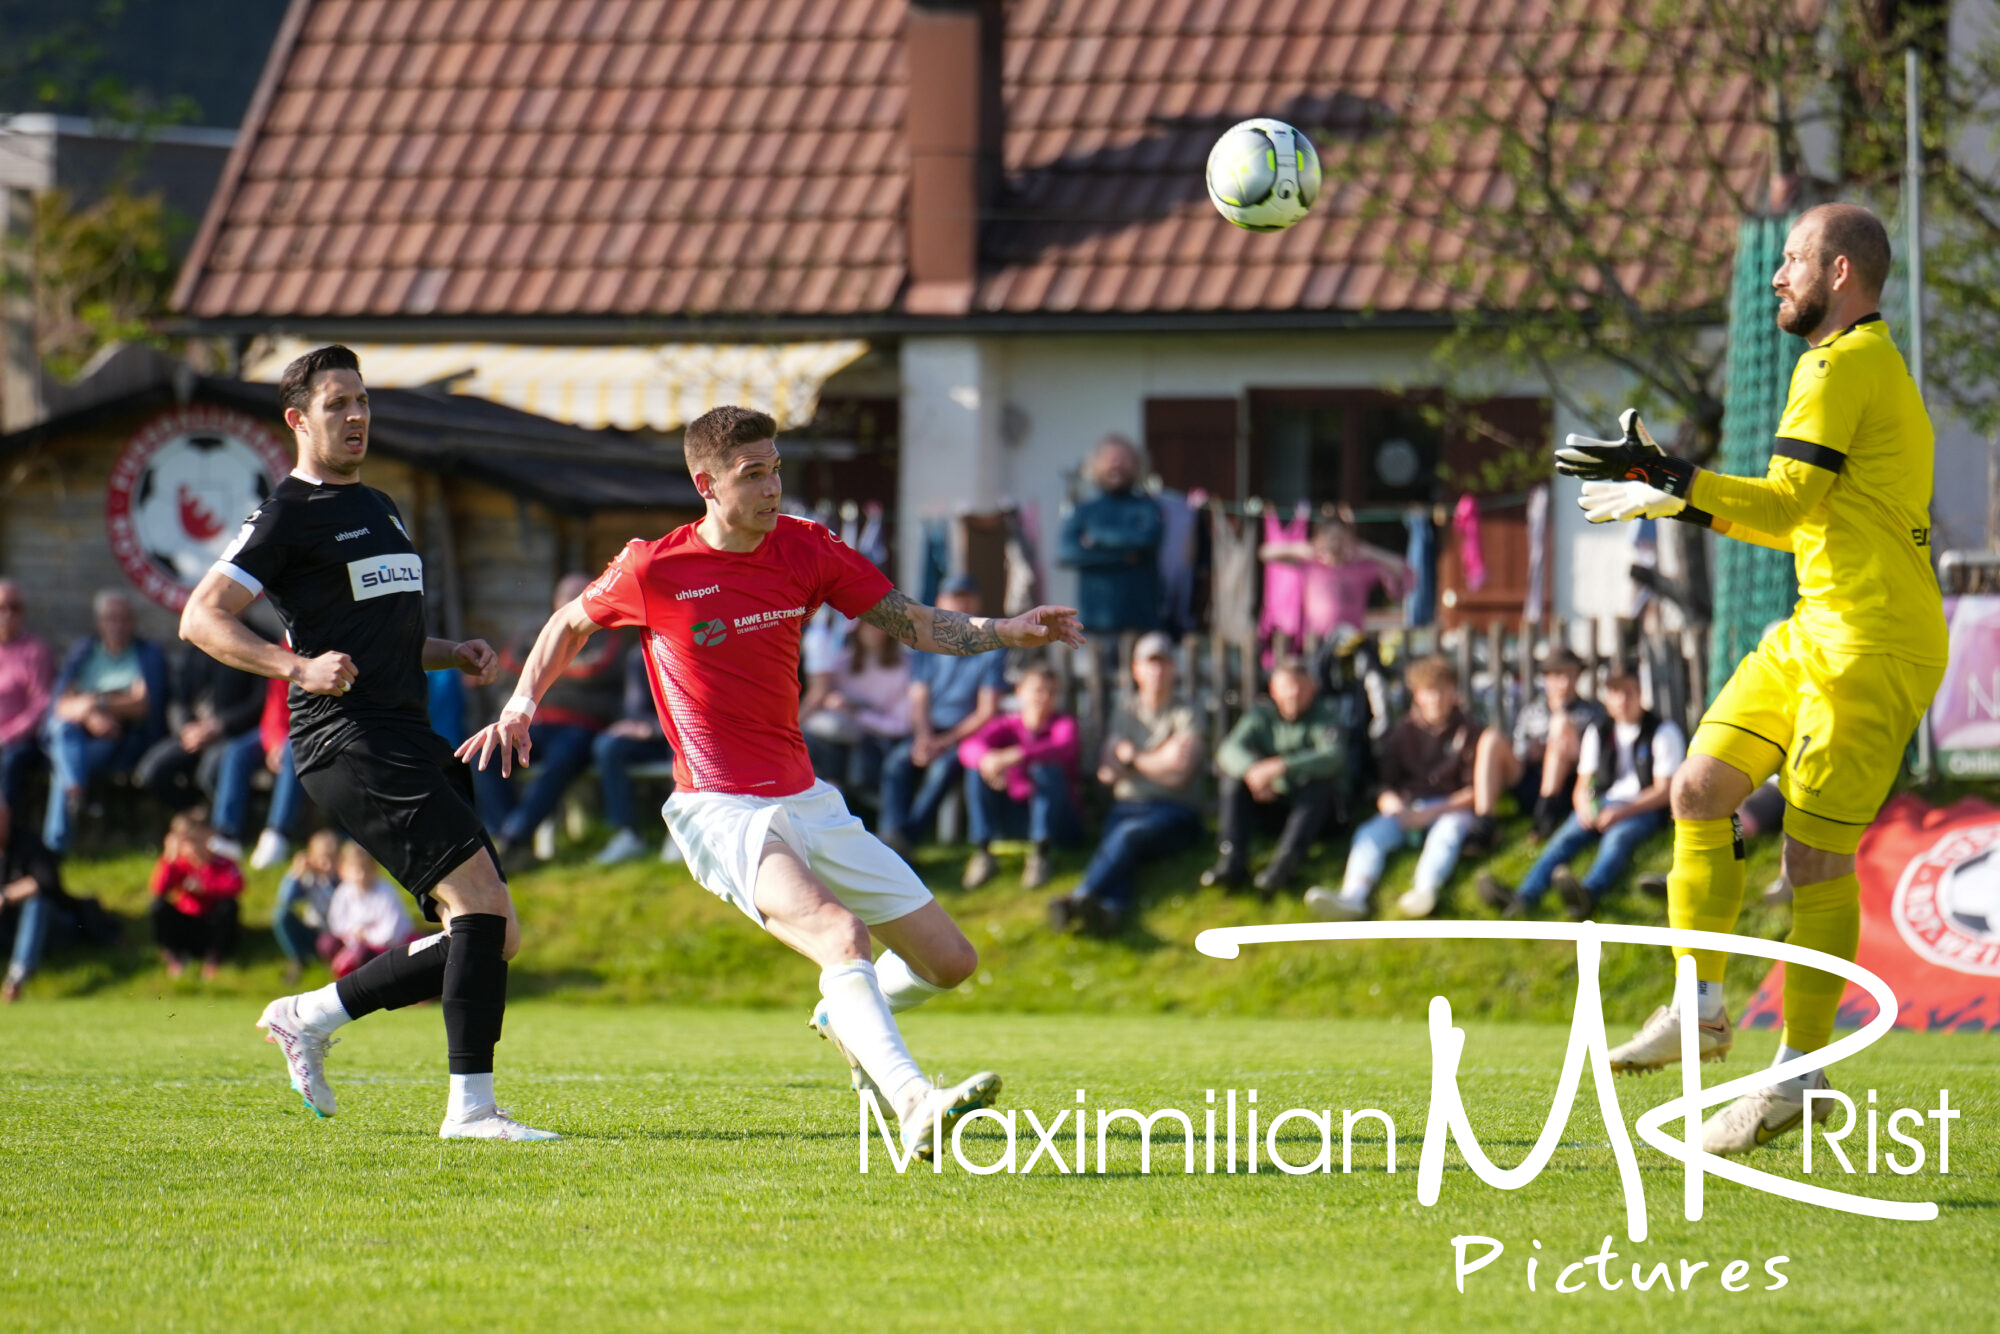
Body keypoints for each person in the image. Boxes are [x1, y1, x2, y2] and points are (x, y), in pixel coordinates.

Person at [457, 404, 1085, 1159]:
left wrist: (1007, 631)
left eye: (776, 469)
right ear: (707, 485)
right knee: (838, 934)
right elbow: (569, 624)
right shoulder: (657, 567)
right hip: (718, 807)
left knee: (951, 964)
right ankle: (915, 1101)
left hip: (806, 798)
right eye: (752, 475)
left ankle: (845, 1017)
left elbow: (911, 621)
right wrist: (522, 704)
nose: (771, 488)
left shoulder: (807, 549)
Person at [1556, 204, 1946, 1154]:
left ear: (1842, 271)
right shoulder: (1840, 365)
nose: (1777, 275)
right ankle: (1700, 1005)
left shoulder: (1843, 364)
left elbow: (1783, 500)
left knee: (1810, 862)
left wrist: (1672, 476)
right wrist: (1675, 491)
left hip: (1873, 645)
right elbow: (1793, 520)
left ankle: (1798, 1077)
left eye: (1794, 258)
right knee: (1697, 788)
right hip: (1817, 628)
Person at [178, 344, 544, 1140]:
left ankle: (310, 1015)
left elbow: (379, 635)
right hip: (348, 740)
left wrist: (453, 652)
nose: (355, 416)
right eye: (338, 402)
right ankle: (471, 1111)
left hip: (409, 732)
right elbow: (201, 617)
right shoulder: (286, 514)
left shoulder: (380, 505)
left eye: (363, 401)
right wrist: (295, 666)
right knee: (479, 907)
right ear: (297, 419)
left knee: (493, 934)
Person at [1477, 672, 1682, 919]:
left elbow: (1664, 791)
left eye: (1629, 693)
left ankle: (1588, 893)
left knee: (1617, 840)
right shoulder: (1598, 731)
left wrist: (1622, 812)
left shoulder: (1663, 731)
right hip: (1603, 802)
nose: (1622, 701)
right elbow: (1584, 782)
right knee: (1562, 840)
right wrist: (1584, 806)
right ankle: (1524, 896)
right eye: (1616, 694)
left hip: (1642, 808)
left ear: (1641, 696)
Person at [1046, 633, 1206, 937]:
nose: (1157, 671)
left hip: (1177, 812)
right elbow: (1107, 772)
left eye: (1164, 663)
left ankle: (1080, 897)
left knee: (1127, 836)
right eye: (1150, 663)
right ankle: (1108, 913)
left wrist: (1131, 760)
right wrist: (1159, 760)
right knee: (1123, 842)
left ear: (1173, 669)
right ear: (1136, 669)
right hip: (1128, 807)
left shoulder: (1187, 711)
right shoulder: (1126, 709)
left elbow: (1181, 774)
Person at [1308, 654, 1482, 921]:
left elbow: (1475, 792)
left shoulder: (1470, 731)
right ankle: (1353, 896)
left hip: (1450, 807)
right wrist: (1393, 805)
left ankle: (1425, 890)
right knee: (1369, 834)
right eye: (1429, 692)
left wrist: (1433, 813)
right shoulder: (1402, 732)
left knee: (1447, 833)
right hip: (1409, 806)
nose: (1436, 699)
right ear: (1417, 695)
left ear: (1453, 692)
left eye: (1442, 691)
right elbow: (1385, 786)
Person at [474, 572, 625, 861]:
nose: (573, 602)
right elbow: (508, 665)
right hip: (532, 723)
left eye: (580, 595)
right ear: (556, 600)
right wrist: (560, 667)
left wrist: (542, 668)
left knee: (560, 761)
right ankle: (507, 839)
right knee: (486, 753)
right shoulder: (535, 631)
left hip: (580, 725)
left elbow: (595, 670)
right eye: (567, 596)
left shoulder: (607, 636)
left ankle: (513, 836)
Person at [876, 574, 1005, 854]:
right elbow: (918, 697)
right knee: (896, 764)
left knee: (941, 771)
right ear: (939, 602)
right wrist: (924, 736)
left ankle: (906, 841)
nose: (961, 604)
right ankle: (891, 834)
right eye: (954, 597)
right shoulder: (926, 644)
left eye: (966, 597)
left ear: (977, 603)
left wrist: (944, 741)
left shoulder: (991, 648)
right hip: (929, 729)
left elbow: (986, 711)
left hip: (964, 736)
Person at [1204, 657, 1346, 898]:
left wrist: (1281, 767)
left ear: (1312, 688)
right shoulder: (1261, 716)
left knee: (1319, 784)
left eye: (1299, 686)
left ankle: (1285, 865)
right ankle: (1232, 861)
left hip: (1318, 814)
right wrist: (1252, 772)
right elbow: (1228, 750)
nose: (1293, 694)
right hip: (1273, 805)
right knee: (1232, 781)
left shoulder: (1325, 717)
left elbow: (1333, 756)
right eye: (1286, 687)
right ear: (1274, 691)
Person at [41, 590, 168, 854]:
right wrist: (90, 715)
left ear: (133, 623)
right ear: (99, 622)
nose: (118, 626)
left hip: (120, 737)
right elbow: (60, 705)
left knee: (61, 765)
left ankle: (55, 847)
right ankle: (75, 789)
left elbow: (143, 705)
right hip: (80, 734)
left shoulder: (146, 654)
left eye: (124, 619)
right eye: (111, 619)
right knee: (61, 729)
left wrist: (96, 703)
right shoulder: (85, 652)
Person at [133, 643, 265, 858]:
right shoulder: (195, 648)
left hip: (232, 734)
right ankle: (198, 822)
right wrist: (186, 728)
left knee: (210, 772)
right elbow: (177, 700)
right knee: (151, 771)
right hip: (191, 735)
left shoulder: (257, 641)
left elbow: (258, 703)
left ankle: (226, 833)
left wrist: (220, 726)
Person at [957, 664, 1080, 890]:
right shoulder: (1006, 725)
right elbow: (969, 747)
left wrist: (1016, 755)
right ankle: (984, 851)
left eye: (1051, 692)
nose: (1044, 698)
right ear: (1020, 691)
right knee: (976, 771)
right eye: (1038, 690)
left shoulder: (1063, 724)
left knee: (1047, 769)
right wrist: (987, 761)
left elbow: (1063, 747)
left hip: (1057, 820)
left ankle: (1041, 854)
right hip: (1015, 813)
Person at [1058, 435, 1163, 650]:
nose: (1116, 464)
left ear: (1136, 466)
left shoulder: (1148, 508)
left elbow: (1147, 540)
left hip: (1141, 623)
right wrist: (1124, 556)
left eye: (1124, 459)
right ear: (1095, 466)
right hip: (1096, 627)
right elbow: (1067, 553)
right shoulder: (1084, 511)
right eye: (1110, 459)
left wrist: (1096, 538)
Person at [801, 618, 911, 807]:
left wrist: (857, 714)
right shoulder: (844, 663)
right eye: (867, 625)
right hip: (841, 741)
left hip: (878, 743)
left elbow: (901, 725)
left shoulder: (905, 666)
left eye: (878, 624)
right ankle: (831, 791)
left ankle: (835, 792)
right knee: (812, 738)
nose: (873, 631)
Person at [591, 643, 678, 865]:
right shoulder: (639, 656)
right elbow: (635, 708)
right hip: (655, 737)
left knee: (681, 746)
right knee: (608, 746)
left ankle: (679, 828)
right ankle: (627, 834)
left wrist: (657, 729)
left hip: (687, 736)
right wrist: (649, 729)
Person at [1506, 647, 1605, 839]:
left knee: (1560, 726)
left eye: (1571, 675)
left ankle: (1545, 816)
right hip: (1533, 782)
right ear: (1546, 679)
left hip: (1573, 784)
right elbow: (1519, 750)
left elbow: (1601, 754)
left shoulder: (1593, 713)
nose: (1565, 682)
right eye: (1559, 675)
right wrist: (1532, 753)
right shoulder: (1531, 713)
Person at [1258, 517, 1408, 641]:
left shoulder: (1361, 568)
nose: (1335, 544)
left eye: (1340, 539)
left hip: (1352, 639)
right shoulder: (1311, 564)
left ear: (1350, 540)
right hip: (1316, 640)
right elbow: (1265, 553)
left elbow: (1401, 568)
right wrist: (1298, 548)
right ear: (1318, 541)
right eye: (1330, 538)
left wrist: (1369, 552)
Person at [148, 810, 244, 980]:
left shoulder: (222, 862)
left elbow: (236, 886)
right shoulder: (178, 864)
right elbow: (158, 889)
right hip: (186, 923)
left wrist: (205, 889)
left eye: (199, 840)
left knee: (229, 906)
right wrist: (169, 858)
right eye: (190, 841)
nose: (195, 846)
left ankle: (214, 958)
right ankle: (175, 956)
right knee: (158, 906)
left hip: (210, 925)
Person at [320, 841, 416, 978]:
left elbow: (391, 929)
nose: (361, 875)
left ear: (374, 869)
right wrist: (354, 932)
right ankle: (347, 976)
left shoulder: (385, 892)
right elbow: (336, 921)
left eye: (366, 869)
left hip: (384, 943)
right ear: (343, 871)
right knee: (327, 943)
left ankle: (371, 978)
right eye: (355, 870)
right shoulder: (344, 892)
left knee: (364, 955)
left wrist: (367, 935)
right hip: (354, 940)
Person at [244, 677, 311, 870]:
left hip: (314, 734)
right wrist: (274, 744)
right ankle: (226, 834)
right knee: (236, 754)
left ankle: (278, 832)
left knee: (291, 750)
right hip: (282, 733)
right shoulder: (285, 652)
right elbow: (276, 709)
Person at [0, 580, 53, 819]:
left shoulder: (35, 651)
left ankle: (5, 838)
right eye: (2, 607)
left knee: (9, 763)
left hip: (21, 741)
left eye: (15, 607)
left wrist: (6, 735)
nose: (8, 614)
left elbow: (41, 703)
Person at [273, 828, 342, 983]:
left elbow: (339, 901)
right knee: (282, 914)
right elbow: (286, 899)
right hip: (314, 931)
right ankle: (299, 959)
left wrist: (329, 880)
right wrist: (296, 872)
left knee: (331, 943)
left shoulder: (342, 879)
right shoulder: (309, 878)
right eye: (322, 858)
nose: (327, 863)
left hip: (336, 934)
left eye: (332, 858)